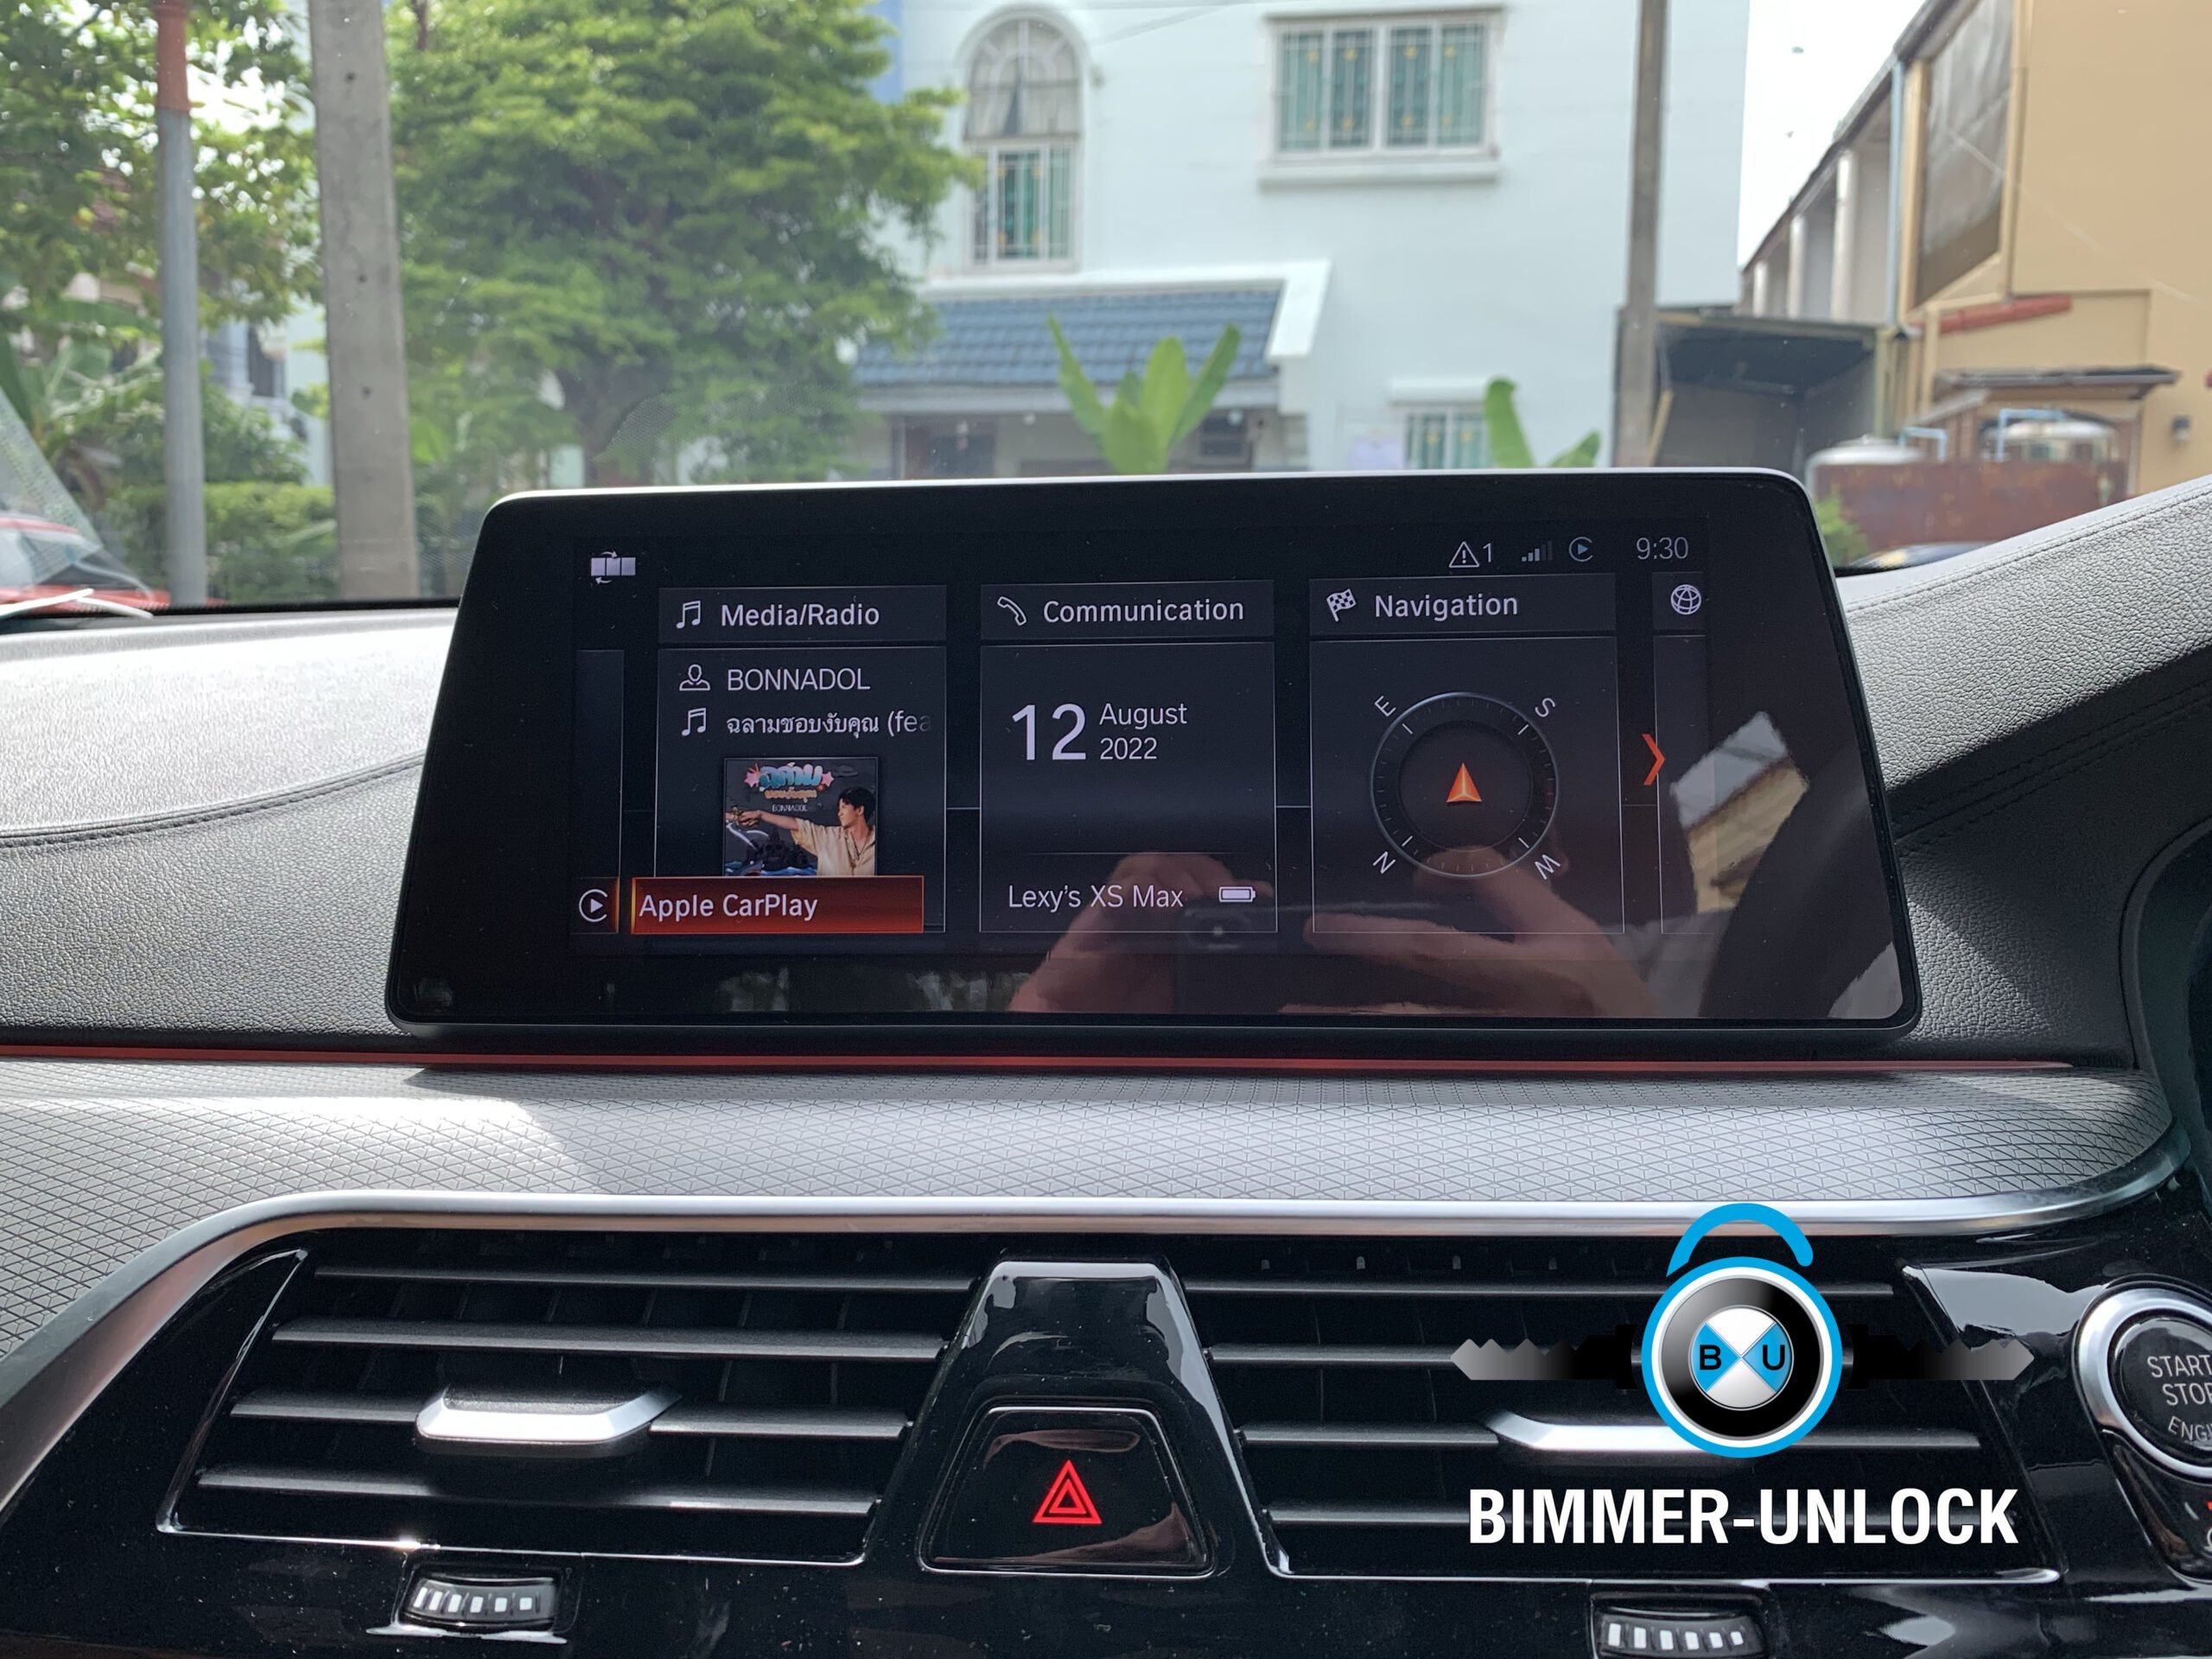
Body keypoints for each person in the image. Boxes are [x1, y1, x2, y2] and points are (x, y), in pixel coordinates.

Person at [734, 785, 878, 877]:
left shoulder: (882, 841)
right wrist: (760, 814)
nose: (839, 813)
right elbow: (796, 825)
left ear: (860, 810)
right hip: (828, 910)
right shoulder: (828, 837)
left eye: (844, 807)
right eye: (839, 808)